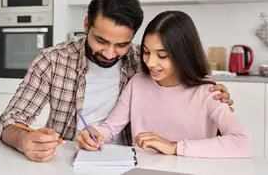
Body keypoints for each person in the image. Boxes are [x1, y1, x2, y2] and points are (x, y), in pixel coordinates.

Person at [0, 0, 234, 162]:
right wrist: (23, 140)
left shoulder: (145, 60)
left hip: (132, 162)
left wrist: (210, 89)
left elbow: (186, 77)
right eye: (101, 40)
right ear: (87, 24)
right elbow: (9, 120)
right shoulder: (52, 61)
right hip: (67, 161)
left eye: (122, 44)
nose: (110, 53)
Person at [76, 10, 252, 158]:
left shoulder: (208, 92)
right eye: (146, 52)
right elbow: (110, 128)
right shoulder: (137, 83)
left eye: (162, 56)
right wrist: (95, 134)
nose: (151, 63)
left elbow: (242, 142)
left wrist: (174, 147)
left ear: (183, 54)